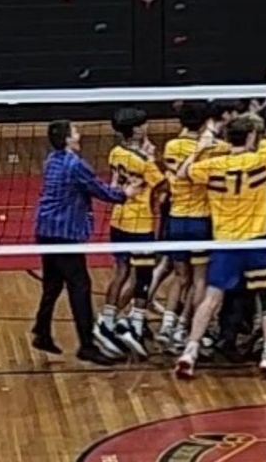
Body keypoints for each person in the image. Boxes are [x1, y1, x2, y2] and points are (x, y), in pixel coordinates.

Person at [175, 99, 266, 380]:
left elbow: (183, 173)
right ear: (253, 136)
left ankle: (190, 351)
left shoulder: (213, 165)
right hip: (256, 242)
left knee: (212, 298)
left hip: (225, 244)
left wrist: (201, 146)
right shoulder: (262, 158)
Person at [32, 119, 141, 365]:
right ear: (67, 139)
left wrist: (114, 187)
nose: (79, 134)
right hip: (64, 234)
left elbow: (87, 187)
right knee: (80, 286)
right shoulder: (75, 165)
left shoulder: (52, 160)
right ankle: (87, 346)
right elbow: (100, 192)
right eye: (75, 131)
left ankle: (41, 331)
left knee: (52, 284)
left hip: (45, 229)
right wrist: (125, 194)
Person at [100, 108, 165, 356]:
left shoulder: (115, 152)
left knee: (121, 272)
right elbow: (163, 185)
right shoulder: (144, 162)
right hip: (140, 224)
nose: (147, 127)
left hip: (118, 219)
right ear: (137, 130)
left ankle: (107, 322)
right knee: (143, 277)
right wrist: (152, 157)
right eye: (143, 124)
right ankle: (135, 325)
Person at [158, 100, 216, 350]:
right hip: (200, 220)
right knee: (200, 279)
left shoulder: (171, 146)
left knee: (181, 277)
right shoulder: (215, 149)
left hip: (176, 219)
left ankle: (166, 326)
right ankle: (188, 327)